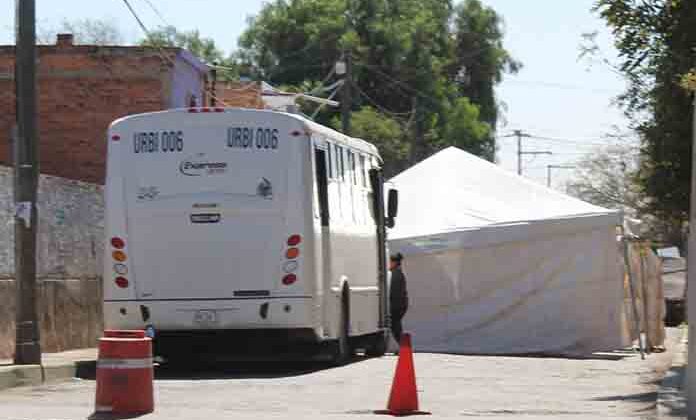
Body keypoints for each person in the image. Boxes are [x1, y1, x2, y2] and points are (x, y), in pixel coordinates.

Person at [389, 252, 409, 345]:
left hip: (397, 305)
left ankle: (404, 346)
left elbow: (393, 291)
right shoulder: (397, 272)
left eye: (390, 261)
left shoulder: (395, 273)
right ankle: (403, 346)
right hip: (400, 304)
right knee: (396, 326)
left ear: (394, 262)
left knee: (395, 326)